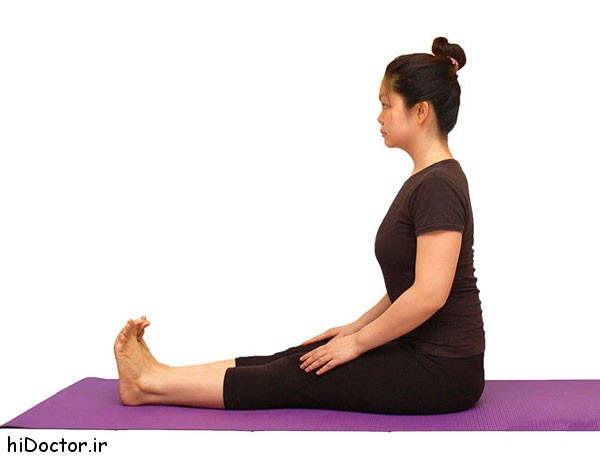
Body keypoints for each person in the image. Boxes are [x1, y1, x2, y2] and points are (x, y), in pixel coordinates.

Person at [114, 37, 485, 415]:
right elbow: (408, 285)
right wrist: (355, 328)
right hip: (421, 352)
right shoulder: (428, 180)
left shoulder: (438, 185)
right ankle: (158, 373)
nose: (379, 116)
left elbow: (429, 294)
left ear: (420, 111)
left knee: (299, 375)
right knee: (302, 356)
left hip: (444, 369)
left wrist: (357, 344)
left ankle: (145, 386)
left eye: (386, 104)